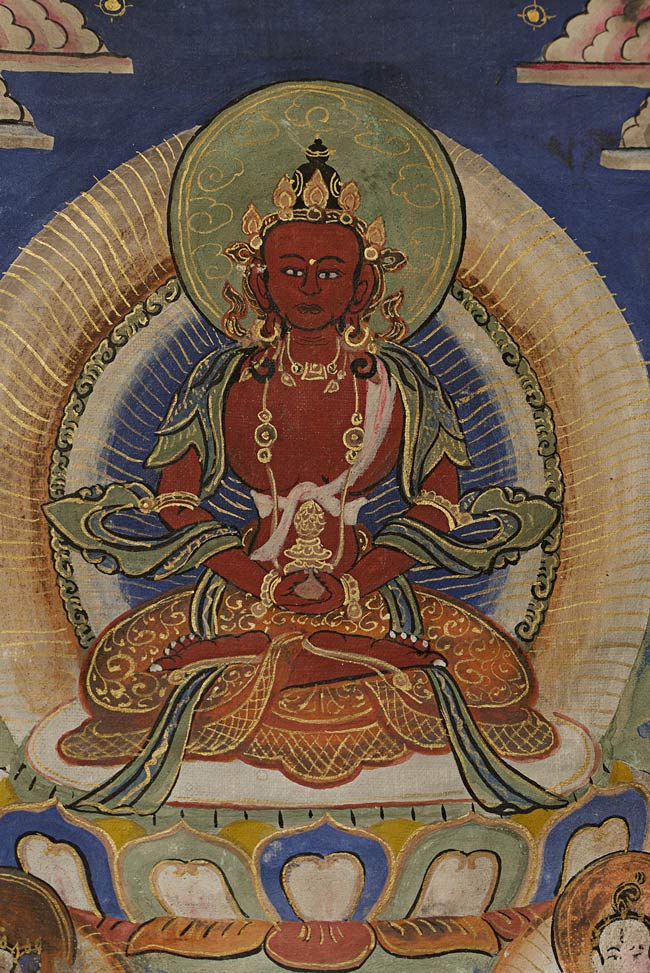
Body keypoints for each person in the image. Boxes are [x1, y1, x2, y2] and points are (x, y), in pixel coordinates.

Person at [46, 140, 564, 816]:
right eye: (291, 271)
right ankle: (330, 658)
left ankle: (303, 658)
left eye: (330, 271)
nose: (311, 287)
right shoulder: (221, 380)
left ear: (363, 286)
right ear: (261, 284)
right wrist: (262, 582)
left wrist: (352, 584)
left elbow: (438, 505)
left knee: (495, 680)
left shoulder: (401, 384)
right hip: (243, 589)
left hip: (368, 592)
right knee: (121, 682)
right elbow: (176, 498)